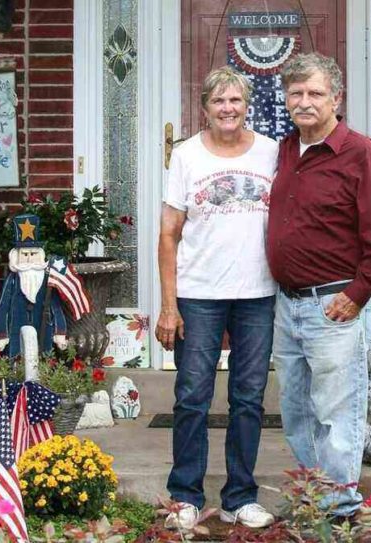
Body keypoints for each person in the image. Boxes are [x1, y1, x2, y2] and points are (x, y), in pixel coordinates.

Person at [267, 52, 371, 517]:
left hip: (334, 304)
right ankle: (313, 494)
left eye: (315, 93)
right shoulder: (285, 150)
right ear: (286, 97)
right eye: (296, 93)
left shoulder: (359, 153)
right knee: (297, 408)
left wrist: (358, 294)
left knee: (336, 410)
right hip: (288, 305)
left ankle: (340, 506)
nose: (304, 101)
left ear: (336, 99)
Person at [155, 66, 278, 531]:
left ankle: (239, 497)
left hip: (257, 294)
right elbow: (168, 235)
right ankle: (185, 495)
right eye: (218, 101)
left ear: (247, 105)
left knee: (249, 398)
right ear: (204, 107)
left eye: (236, 100)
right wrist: (169, 306)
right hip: (199, 295)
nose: (228, 109)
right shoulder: (187, 156)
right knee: (192, 397)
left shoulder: (270, 153)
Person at [0, 214, 68, 357]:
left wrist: (60, 332)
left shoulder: (48, 279)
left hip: (44, 328)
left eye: (33, 254)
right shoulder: (13, 279)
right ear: (16, 256)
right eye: (25, 254)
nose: (28, 258)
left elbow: (56, 307)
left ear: (40, 255)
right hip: (16, 329)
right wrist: (0, 334)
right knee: (16, 358)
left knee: (45, 358)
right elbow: (2, 306)